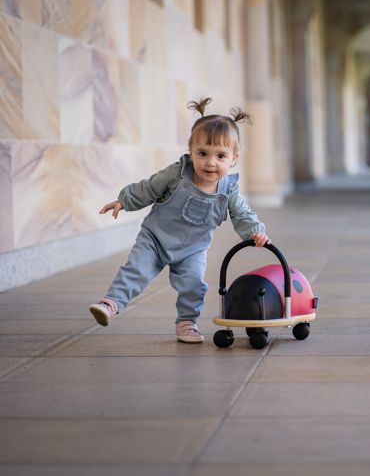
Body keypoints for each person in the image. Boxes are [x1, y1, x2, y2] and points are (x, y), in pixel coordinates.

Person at [89, 98, 270, 343]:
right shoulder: (177, 173)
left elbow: (243, 214)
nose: (210, 162)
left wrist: (255, 232)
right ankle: (112, 303)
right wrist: (125, 201)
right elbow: (149, 187)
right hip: (155, 238)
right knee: (136, 270)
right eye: (203, 153)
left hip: (193, 249)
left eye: (220, 156)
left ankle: (187, 322)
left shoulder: (228, 189)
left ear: (233, 158)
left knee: (194, 285)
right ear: (191, 151)